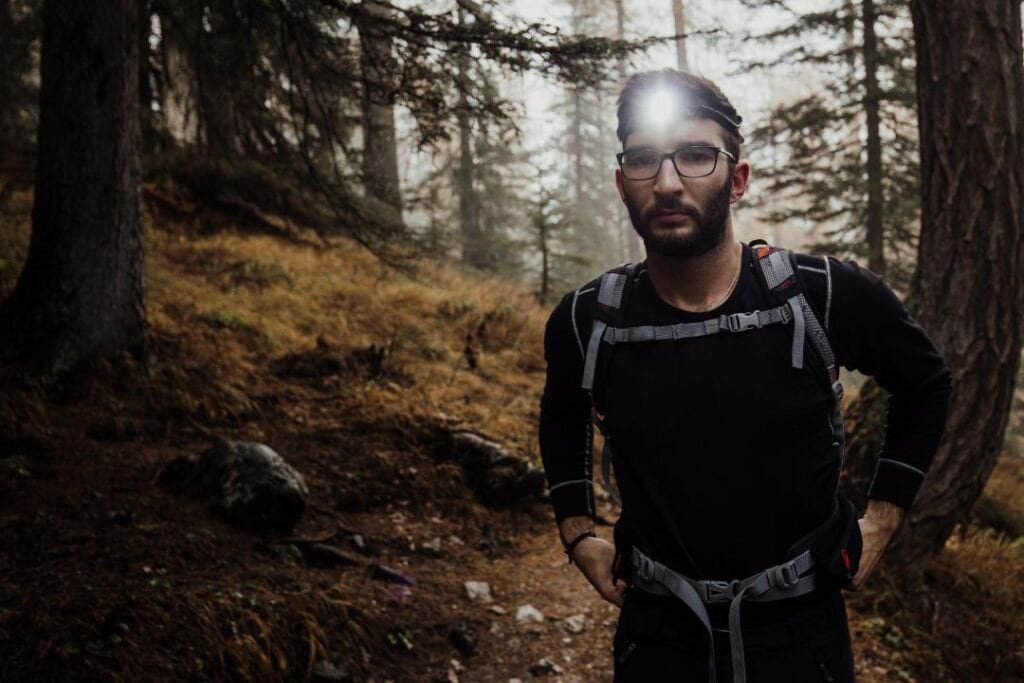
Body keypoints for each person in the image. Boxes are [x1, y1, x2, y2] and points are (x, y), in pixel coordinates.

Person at [538, 69, 951, 682]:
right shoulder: (586, 319)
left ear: (737, 180)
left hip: (802, 639)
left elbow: (926, 383)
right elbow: (561, 413)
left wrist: (885, 516)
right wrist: (578, 533)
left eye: (696, 156)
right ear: (623, 184)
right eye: (646, 159)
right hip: (657, 639)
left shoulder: (824, 296)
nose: (669, 181)